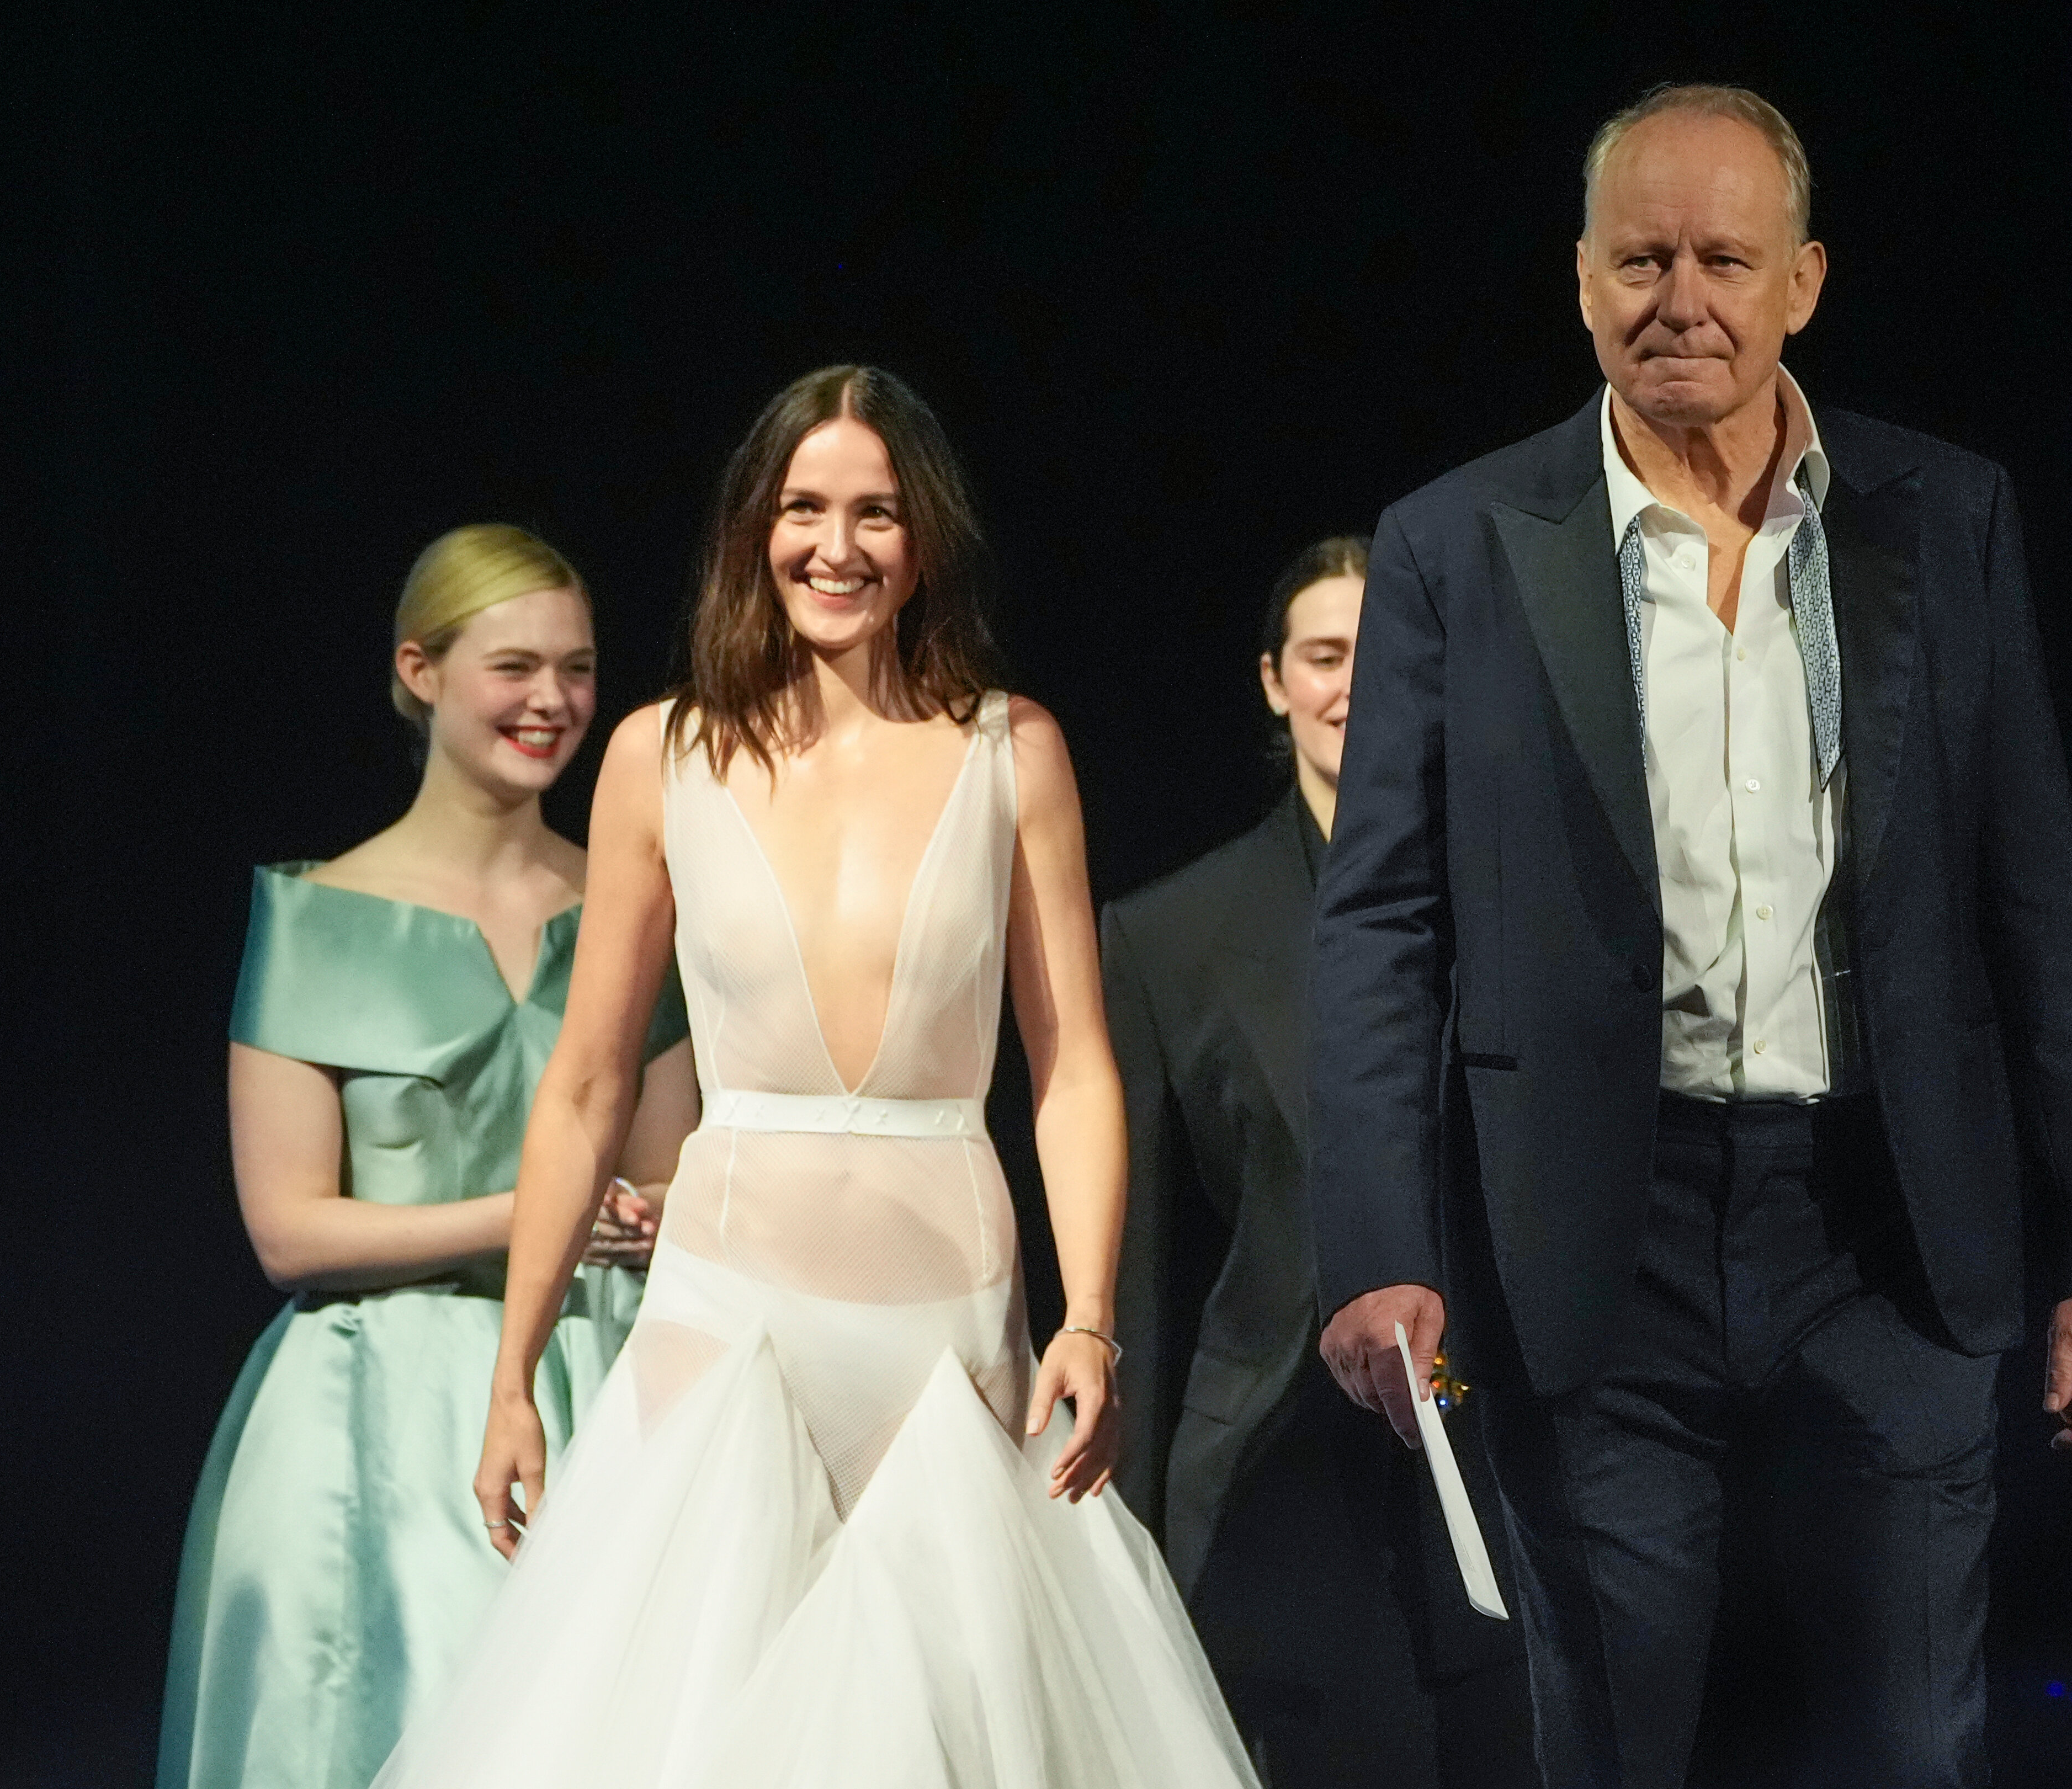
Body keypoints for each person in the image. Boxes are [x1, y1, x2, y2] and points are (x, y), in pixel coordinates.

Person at [1307, 85, 2072, 1788]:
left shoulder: (1945, 515)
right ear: (1578, 280)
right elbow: (1382, 924)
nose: (1678, 297)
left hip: (1887, 1227)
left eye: (1721, 257)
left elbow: (2037, 905)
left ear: (1805, 282)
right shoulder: (1457, 546)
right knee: (1616, 1747)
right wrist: (1381, 1245)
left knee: (1914, 1743)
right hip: (1591, 1246)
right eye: (1639, 258)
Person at [371, 366, 1257, 1788]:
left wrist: (1089, 1317)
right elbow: (589, 1083)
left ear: (925, 545)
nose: (833, 546)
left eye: (874, 513)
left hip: (947, 1345)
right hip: (728, 1327)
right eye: (800, 508)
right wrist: (515, 1368)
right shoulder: (663, 755)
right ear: (752, 530)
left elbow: (1073, 1064)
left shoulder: (1010, 752)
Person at [157, 525, 698, 1789]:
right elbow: (290, 1231)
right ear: (420, 671)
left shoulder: (633, 910)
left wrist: (662, 1212)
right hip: (373, 1414)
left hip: (603, 1380)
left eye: (577, 667)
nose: (554, 701)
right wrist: (533, 1211)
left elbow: (671, 1174)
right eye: (514, 666)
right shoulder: (319, 917)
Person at [1106, 536, 1532, 1786]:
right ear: (1272, 680)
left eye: (1387, 651)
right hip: (1281, 1472)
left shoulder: (1520, 894)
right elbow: (1137, 1265)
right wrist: (1124, 1536)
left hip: (1508, 1439)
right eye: (1325, 653)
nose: (1357, 681)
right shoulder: (1166, 933)